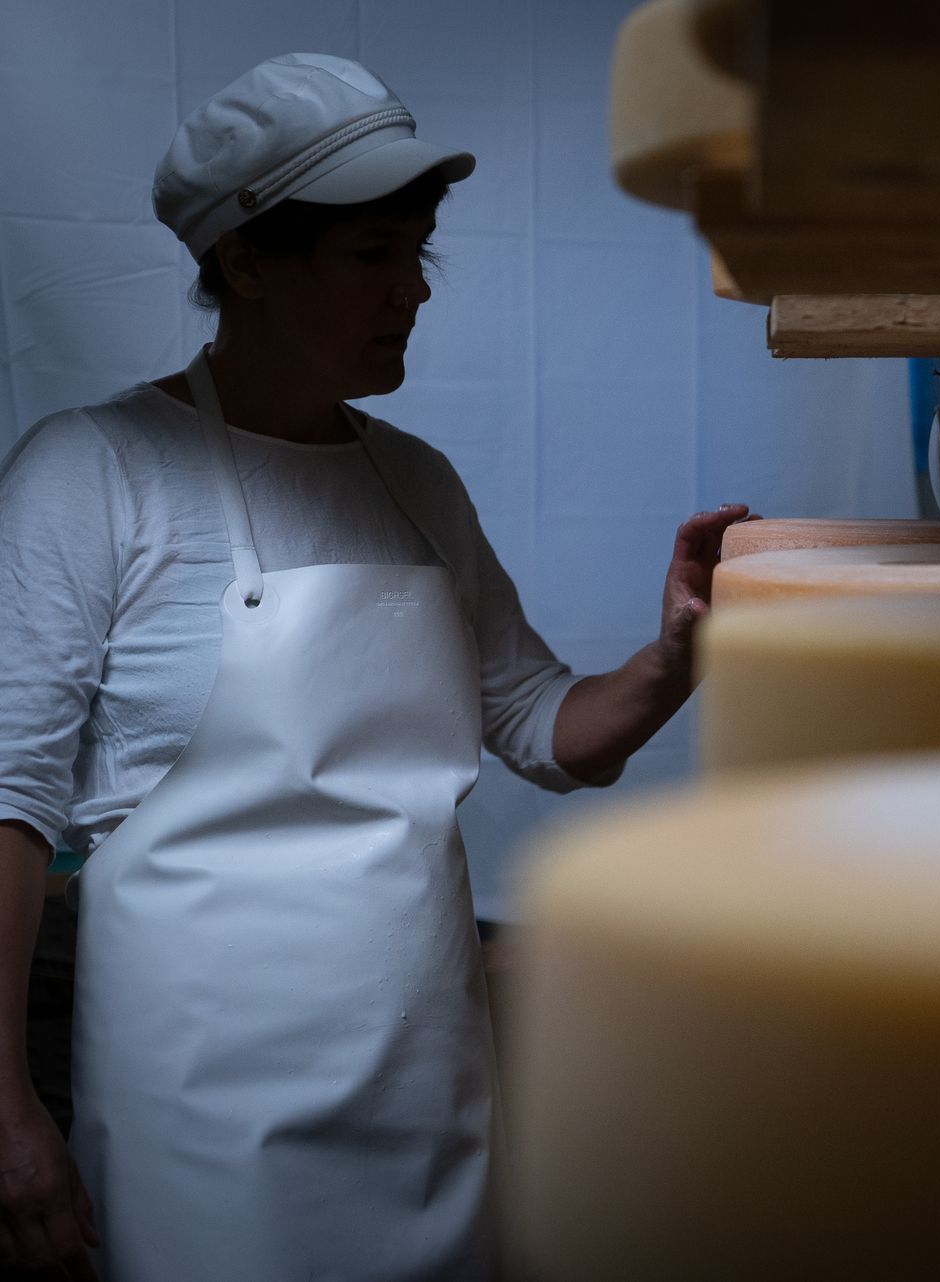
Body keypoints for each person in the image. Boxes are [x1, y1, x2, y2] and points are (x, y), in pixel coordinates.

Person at [0, 53, 748, 1279]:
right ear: (245, 260)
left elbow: (542, 722)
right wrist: (8, 1110)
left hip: (424, 1087)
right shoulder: (93, 475)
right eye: (370, 259)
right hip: (202, 1110)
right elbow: (9, 805)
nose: (413, 292)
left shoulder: (414, 481)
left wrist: (674, 652)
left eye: (420, 255)